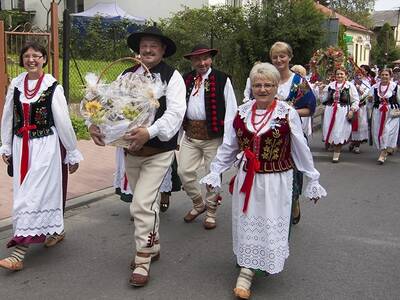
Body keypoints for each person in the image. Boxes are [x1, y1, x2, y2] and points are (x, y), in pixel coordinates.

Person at [200, 63, 326, 299]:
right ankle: (246, 270)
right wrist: (215, 171)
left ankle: (258, 264)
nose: (263, 89)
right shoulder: (241, 112)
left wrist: (312, 178)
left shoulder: (287, 113)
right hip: (247, 178)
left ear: (276, 86)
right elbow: (229, 147)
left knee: (268, 223)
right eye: (258, 85)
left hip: (276, 180)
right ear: (251, 87)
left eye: (268, 85)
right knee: (247, 222)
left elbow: (300, 149)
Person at [89, 26, 186, 287]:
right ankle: (152, 246)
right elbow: (109, 107)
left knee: (140, 204)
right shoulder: (126, 73)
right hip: (131, 151)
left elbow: (176, 114)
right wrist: (96, 125)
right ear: (138, 48)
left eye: (154, 44)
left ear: (163, 50)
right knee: (147, 204)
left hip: (158, 152)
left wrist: (150, 131)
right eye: (144, 44)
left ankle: (143, 258)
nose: (148, 49)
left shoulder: (172, 76)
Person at [0, 42, 83, 271]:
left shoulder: (52, 87)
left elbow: (63, 121)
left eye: (36, 55)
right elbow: (8, 117)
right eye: (27, 56)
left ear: (45, 59)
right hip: (21, 146)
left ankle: (18, 253)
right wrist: (6, 145)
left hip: (46, 147)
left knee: (33, 195)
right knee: (26, 192)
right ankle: (55, 231)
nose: (31, 59)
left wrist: (72, 151)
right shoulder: (16, 85)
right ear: (22, 60)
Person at [179, 44, 237, 229]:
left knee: (213, 174)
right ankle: (198, 203)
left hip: (213, 136)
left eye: (205, 58)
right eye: (197, 59)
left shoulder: (222, 79)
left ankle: (211, 210)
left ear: (211, 59)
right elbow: (179, 108)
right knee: (183, 171)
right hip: (190, 136)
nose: (201, 62)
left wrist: (229, 139)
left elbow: (231, 110)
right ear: (191, 61)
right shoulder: (185, 79)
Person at [269, 42, 317, 225]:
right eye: (275, 57)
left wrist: (290, 111)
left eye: (282, 56)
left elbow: (310, 109)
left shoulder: (299, 82)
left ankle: (294, 199)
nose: (279, 60)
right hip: (270, 136)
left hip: (292, 135)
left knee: (294, 171)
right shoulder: (267, 79)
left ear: (289, 57)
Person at [321, 67, 359, 162]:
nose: (339, 76)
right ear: (335, 75)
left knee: (339, 131)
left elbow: (355, 100)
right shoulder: (330, 85)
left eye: (342, 74)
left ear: (346, 75)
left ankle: (336, 153)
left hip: (342, 112)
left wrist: (352, 110)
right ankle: (333, 146)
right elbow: (323, 99)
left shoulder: (350, 86)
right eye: (338, 74)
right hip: (330, 111)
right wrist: (320, 90)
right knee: (331, 130)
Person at [368, 68, 400, 164]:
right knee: (378, 131)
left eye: (387, 75)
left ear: (390, 76)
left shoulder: (396, 87)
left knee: (387, 131)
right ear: (380, 76)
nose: (384, 76)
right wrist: (369, 100)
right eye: (383, 74)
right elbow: (370, 101)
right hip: (378, 112)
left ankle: (383, 153)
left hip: (391, 113)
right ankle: (384, 149)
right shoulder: (374, 87)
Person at [349, 66, 371, 153]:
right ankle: (352, 142)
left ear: (363, 75)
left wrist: (359, 89)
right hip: (352, 107)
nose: (358, 76)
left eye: (360, 74)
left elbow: (365, 95)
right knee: (350, 126)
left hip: (361, 108)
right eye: (357, 74)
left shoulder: (366, 83)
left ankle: (357, 145)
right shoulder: (350, 83)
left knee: (360, 126)